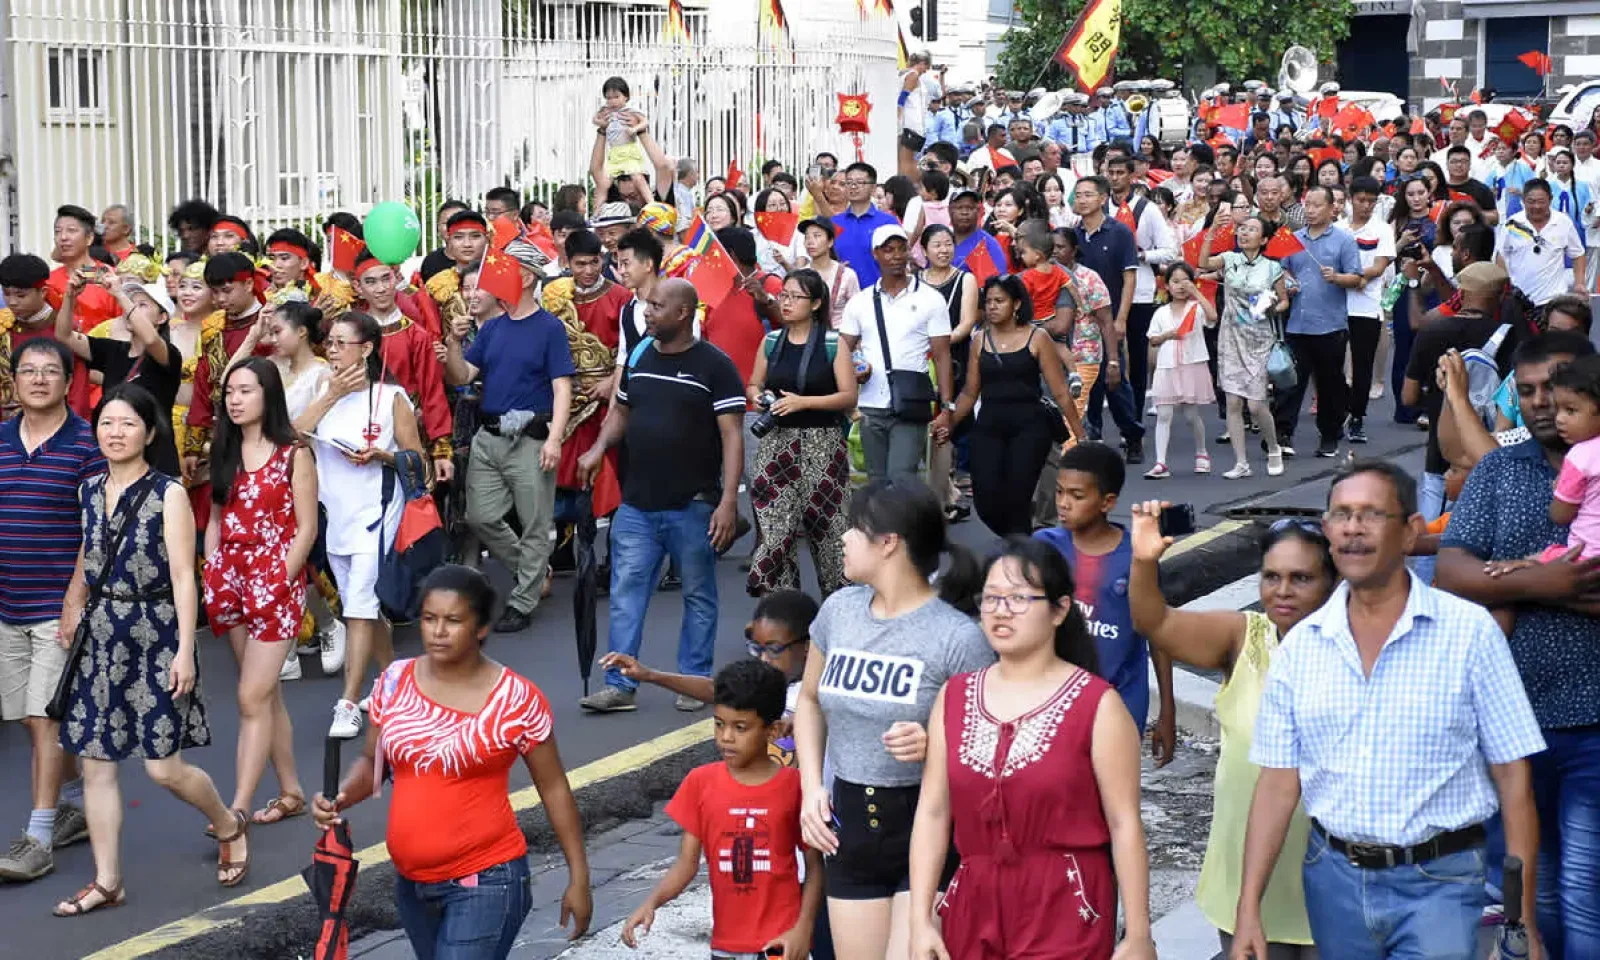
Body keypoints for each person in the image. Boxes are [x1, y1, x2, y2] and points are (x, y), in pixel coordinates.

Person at [1232, 461, 1544, 960]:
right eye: (1342, 514)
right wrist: (1249, 908)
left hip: (1440, 880)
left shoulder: (1469, 632)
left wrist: (1520, 917)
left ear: (1411, 532)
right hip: (1333, 878)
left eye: (1372, 514)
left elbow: (1513, 776)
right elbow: (1277, 782)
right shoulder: (1302, 647)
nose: (1354, 528)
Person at [312, 565, 593, 959]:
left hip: (488, 881)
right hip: (412, 886)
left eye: (453, 621)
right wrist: (340, 796)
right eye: (429, 619)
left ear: (480, 628)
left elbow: (554, 787)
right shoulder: (394, 681)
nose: (437, 631)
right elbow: (373, 761)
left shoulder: (516, 699)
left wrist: (579, 877)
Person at [907, 537, 1156, 960]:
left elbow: (1124, 823)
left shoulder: (1097, 704)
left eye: (1020, 598)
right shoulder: (955, 695)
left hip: (1065, 901)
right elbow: (933, 812)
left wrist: (1138, 934)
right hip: (973, 899)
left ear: (1060, 610)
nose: (1001, 611)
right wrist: (918, 921)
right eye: (991, 598)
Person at [47, 383, 242, 913]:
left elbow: (184, 577)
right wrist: (73, 608)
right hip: (101, 632)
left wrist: (185, 650)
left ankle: (226, 822)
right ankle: (108, 881)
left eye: (127, 424)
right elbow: (90, 556)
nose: (115, 433)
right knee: (96, 762)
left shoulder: (168, 493)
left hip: (155, 631)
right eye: (107, 423)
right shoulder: (88, 490)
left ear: (149, 432)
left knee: (162, 767)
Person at [1436, 332, 1600, 958]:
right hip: (1514, 722)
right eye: (1525, 392)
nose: (1539, 404)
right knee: (1538, 888)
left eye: (1552, 391)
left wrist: (1520, 585)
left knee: (1584, 886)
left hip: (1592, 722)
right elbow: (1453, 570)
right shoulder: (1502, 470)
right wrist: (1553, 582)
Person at [794, 480, 991, 960]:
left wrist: (935, 743)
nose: (841, 538)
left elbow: (990, 741)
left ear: (889, 543)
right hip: (849, 824)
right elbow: (808, 701)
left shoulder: (957, 637)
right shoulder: (839, 611)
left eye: (853, 530)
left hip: (926, 822)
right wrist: (811, 789)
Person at [1130, 505, 1331, 957]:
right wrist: (1144, 563)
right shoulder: (1243, 636)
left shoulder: (1356, 649)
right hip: (1247, 882)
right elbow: (1155, 623)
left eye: (1302, 578)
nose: (1283, 591)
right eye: (1271, 577)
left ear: (1333, 585)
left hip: (1330, 883)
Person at [576, 279, 743, 713]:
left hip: (693, 504)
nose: (647, 312)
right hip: (636, 505)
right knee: (626, 593)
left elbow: (732, 436)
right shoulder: (640, 355)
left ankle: (693, 679)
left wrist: (728, 502)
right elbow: (622, 412)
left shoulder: (715, 365)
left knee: (697, 593)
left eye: (655, 306)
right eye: (647, 305)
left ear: (683, 313)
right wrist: (597, 449)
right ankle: (619, 684)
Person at [621, 659, 824, 959]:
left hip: (781, 943)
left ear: (774, 730)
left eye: (740, 727)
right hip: (725, 945)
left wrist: (803, 928)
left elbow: (816, 866)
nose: (726, 737)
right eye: (719, 724)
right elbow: (686, 865)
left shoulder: (797, 786)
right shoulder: (699, 783)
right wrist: (651, 902)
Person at [0, 338, 102, 883]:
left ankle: (36, 836)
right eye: (28, 371)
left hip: (56, 606)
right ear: (15, 380)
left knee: (43, 719)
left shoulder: (87, 444)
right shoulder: (0, 439)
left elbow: (97, 528)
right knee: (24, 718)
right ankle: (74, 802)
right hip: (7, 603)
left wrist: (74, 597)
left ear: (68, 382)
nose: (38, 380)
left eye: (50, 372)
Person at [299, 311, 425, 739]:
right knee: (364, 610)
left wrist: (381, 456)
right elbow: (292, 437)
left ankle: (348, 704)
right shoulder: (324, 390)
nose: (331, 351)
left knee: (357, 610)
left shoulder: (391, 398)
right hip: (337, 518)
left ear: (366, 349)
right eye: (328, 343)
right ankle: (397, 683)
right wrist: (331, 395)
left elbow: (417, 459)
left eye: (340, 343)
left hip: (377, 513)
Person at [202, 357, 317, 826]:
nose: (235, 399)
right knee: (267, 696)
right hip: (230, 576)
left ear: (268, 395)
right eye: (230, 391)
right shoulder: (223, 449)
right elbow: (214, 516)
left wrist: (278, 581)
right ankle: (290, 792)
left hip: (277, 580)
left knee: (251, 697)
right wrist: (212, 564)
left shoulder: (295, 453)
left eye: (246, 391)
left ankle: (238, 808)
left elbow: (306, 529)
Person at [442, 240, 575, 632]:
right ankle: (532, 570)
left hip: (531, 437)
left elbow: (562, 387)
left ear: (528, 276)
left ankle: (522, 599)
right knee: (479, 516)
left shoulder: (549, 328)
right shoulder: (493, 327)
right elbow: (463, 375)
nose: (495, 275)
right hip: (489, 434)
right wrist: (452, 341)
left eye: (508, 268)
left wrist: (555, 439)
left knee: (534, 523)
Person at [1034, 442, 1175, 757]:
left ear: (1107, 502)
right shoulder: (1043, 547)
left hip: (1121, 698)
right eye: (1059, 492)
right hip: (1052, 697)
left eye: (1077, 496)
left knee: (1112, 796)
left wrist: (1167, 709)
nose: (1063, 504)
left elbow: (1158, 633)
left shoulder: (1137, 553)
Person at [745, 269, 856, 597]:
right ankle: (782, 613)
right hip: (776, 444)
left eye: (795, 296)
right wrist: (757, 396)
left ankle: (838, 614)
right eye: (784, 295)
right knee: (775, 527)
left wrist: (801, 403)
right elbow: (754, 383)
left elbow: (849, 396)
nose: (787, 302)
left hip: (823, 445)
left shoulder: (833, 343)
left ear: (816, 303)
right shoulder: (771, 341)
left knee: (830, 534)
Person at [951, 273, 1081, 537]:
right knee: (985, 502)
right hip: (988, 426)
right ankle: (1022, 542)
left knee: (1018, 498)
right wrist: (947, 421)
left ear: (1017, 304)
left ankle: (1022, 557)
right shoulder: (980, 340)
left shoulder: (1038, 337)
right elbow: (968, 392)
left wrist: (1082, 436)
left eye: (1000, 300)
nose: (992, 307)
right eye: (988, 301)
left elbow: (1060, 392)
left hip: (1030, 428)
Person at [1401, 262, 1520, 529]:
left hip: (1440, 457)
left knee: (1431, 534)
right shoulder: (1511, 337)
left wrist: (1435, 402)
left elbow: (1408, 397)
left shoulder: (1432, 332)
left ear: (1462, 295)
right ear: (1501, 295)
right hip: (1490, 452)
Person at [838, 225, 954, 486]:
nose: (896, 256)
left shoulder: (930, 299)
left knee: (902, 478)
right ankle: (884, 528)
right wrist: (854, 368)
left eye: (901, 249)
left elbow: (943, 356)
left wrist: (946, 408)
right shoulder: (860, 302)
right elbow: (842, 350)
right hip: (870, 404)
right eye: (888, 250)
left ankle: (903, 527)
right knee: (877, 481)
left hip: (910, 403)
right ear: (875, 254)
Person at [55, 267, 183, 475]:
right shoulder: (113, 350)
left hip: (158, 464)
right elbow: (64, 336)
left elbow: (150, 339)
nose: (130, 309)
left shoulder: (167, 354)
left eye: (142, 305)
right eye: (131, 304)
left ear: (161, 318)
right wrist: (70, 295)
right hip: (113, 461)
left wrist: (121, 295)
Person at [1271, 186, 1363, 460]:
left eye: (1315, 205)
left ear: (1331, 207)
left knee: (1329, 383)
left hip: (1330, 324)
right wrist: (1287, 283)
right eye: (1306, 205)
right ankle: (1283, 433)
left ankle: (1329, 434)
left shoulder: (1344, 240)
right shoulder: (1293, 238)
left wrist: (1337, 277)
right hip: (1297, 322)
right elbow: (1281, 269)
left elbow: (1356, 278)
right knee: (1289, 381)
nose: (1309, 210)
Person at [1196, 210, 1287, 479]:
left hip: (1259, 339)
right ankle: (1241, 462)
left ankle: (1273, 448)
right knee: (1233, 402)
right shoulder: (1230, 259)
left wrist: (1271, 307)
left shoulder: (1272, 267)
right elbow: (1201, 262)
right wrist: (1212, 230)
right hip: (1231, 336)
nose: (1244, 233)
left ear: (1264, 239)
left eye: (1251, 230)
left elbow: (1284, 300)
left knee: (1257, 405)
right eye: (1242, 229)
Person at [1072, 176, 1145, 462]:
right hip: (1079, 323)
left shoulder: (1120, 232)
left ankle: (1132, 434)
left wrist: (1121, 318)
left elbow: (1129, 278)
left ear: (1103, 198)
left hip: (1108, 318)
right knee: (1084, 383)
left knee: (1114, 381)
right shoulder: (1071, 234)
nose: (1082, 200)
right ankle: (1091, 437)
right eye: (1078, 195)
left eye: (1088, 194)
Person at [1144, 263, 1216, 479]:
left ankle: (1202, 453)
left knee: (1191, 414)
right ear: (1166, 285)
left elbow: (1212, 317)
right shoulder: (1161, 312)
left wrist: (1197, 293)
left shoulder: (1196, 308)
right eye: (1175, 281)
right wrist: (1168, 335)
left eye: (1185, 281)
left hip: (1191, 364)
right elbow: (1153, 339)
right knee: (1164, 414)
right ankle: (1160, 462)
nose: (1180, 286)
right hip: (1167, 366)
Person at [1341, 177, 1395, 445]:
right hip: (1336, 304)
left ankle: (1358, 417)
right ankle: (1337, 411)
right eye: (1361, 200)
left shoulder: (1382, 229)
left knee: (1363, 365)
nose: (1366, 206)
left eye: (1371, 201)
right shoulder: (1338, 228)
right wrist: (1348, 280)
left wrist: (1355, 276)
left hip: (1366, 306)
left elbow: (1379, 266)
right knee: (1332, 364)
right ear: (1351, 199)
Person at [1496, 179, 1588, 313]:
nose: (1536, 207)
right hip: (1519, 300)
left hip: (1553, 301)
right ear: (1523, 200)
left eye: (1541, 201)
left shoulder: (1563, 222)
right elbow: (1500, 255)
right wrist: (1505, 287)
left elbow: (1578, 254)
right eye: (1531, 201)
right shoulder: (1511, 224)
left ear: (1550, 199)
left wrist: (1579, 283)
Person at [830, 163, 902, 289]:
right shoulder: (834, 222)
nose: (853, 186)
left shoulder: (887, 222)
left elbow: (899, 260)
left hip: (879, 294)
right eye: (849, 182)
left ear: (873, 188)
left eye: (860, 182)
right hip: (842, 297)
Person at [798, 219, 861, 323]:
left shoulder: (847, 275)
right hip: (809, 335)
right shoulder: (800, 275)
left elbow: (858, 312)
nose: (810, 242)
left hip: (839, 335)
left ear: (830, 241)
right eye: (807, 237)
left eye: (817, 236)